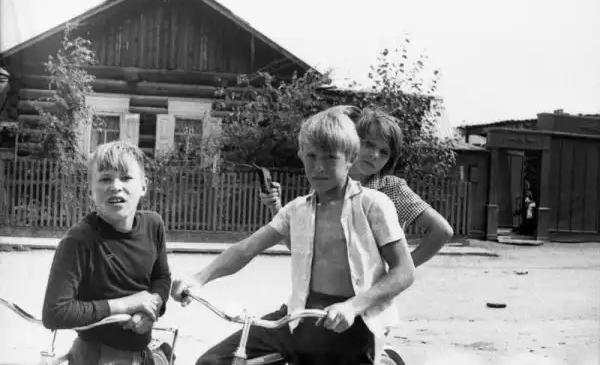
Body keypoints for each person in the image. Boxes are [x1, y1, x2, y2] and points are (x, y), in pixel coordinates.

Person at [171, 110, 416, 364]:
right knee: (214, 361)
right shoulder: (296, 210)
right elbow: (246, 249)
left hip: (353, 323)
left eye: (330, 157)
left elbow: (404, 271)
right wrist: (198, 278)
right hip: (298, 319)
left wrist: (353, 306)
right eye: (311, 156)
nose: (319, 167)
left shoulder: (372, 204)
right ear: (301, 155)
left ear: (350, 159)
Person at [261, 105, 454, 269]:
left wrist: (398, 271)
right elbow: (302, 248)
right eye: (368, 144)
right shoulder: (327, 184)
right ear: (351, 142)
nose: (374, 155)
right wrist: (275, 207)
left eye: (384, 152)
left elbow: (441, 231)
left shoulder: (392, 189)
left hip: (367, 295)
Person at [42, 140, 172, 365]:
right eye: (105, 179)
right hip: (97, 356)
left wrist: (152, 307)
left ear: (143, 186)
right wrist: (127, 304)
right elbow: (55, 312)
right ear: (90, 191)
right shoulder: (78, 241)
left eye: (126, 177)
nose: (115, 186)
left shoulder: (154, 225)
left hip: (142, 353)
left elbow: (161, 277)